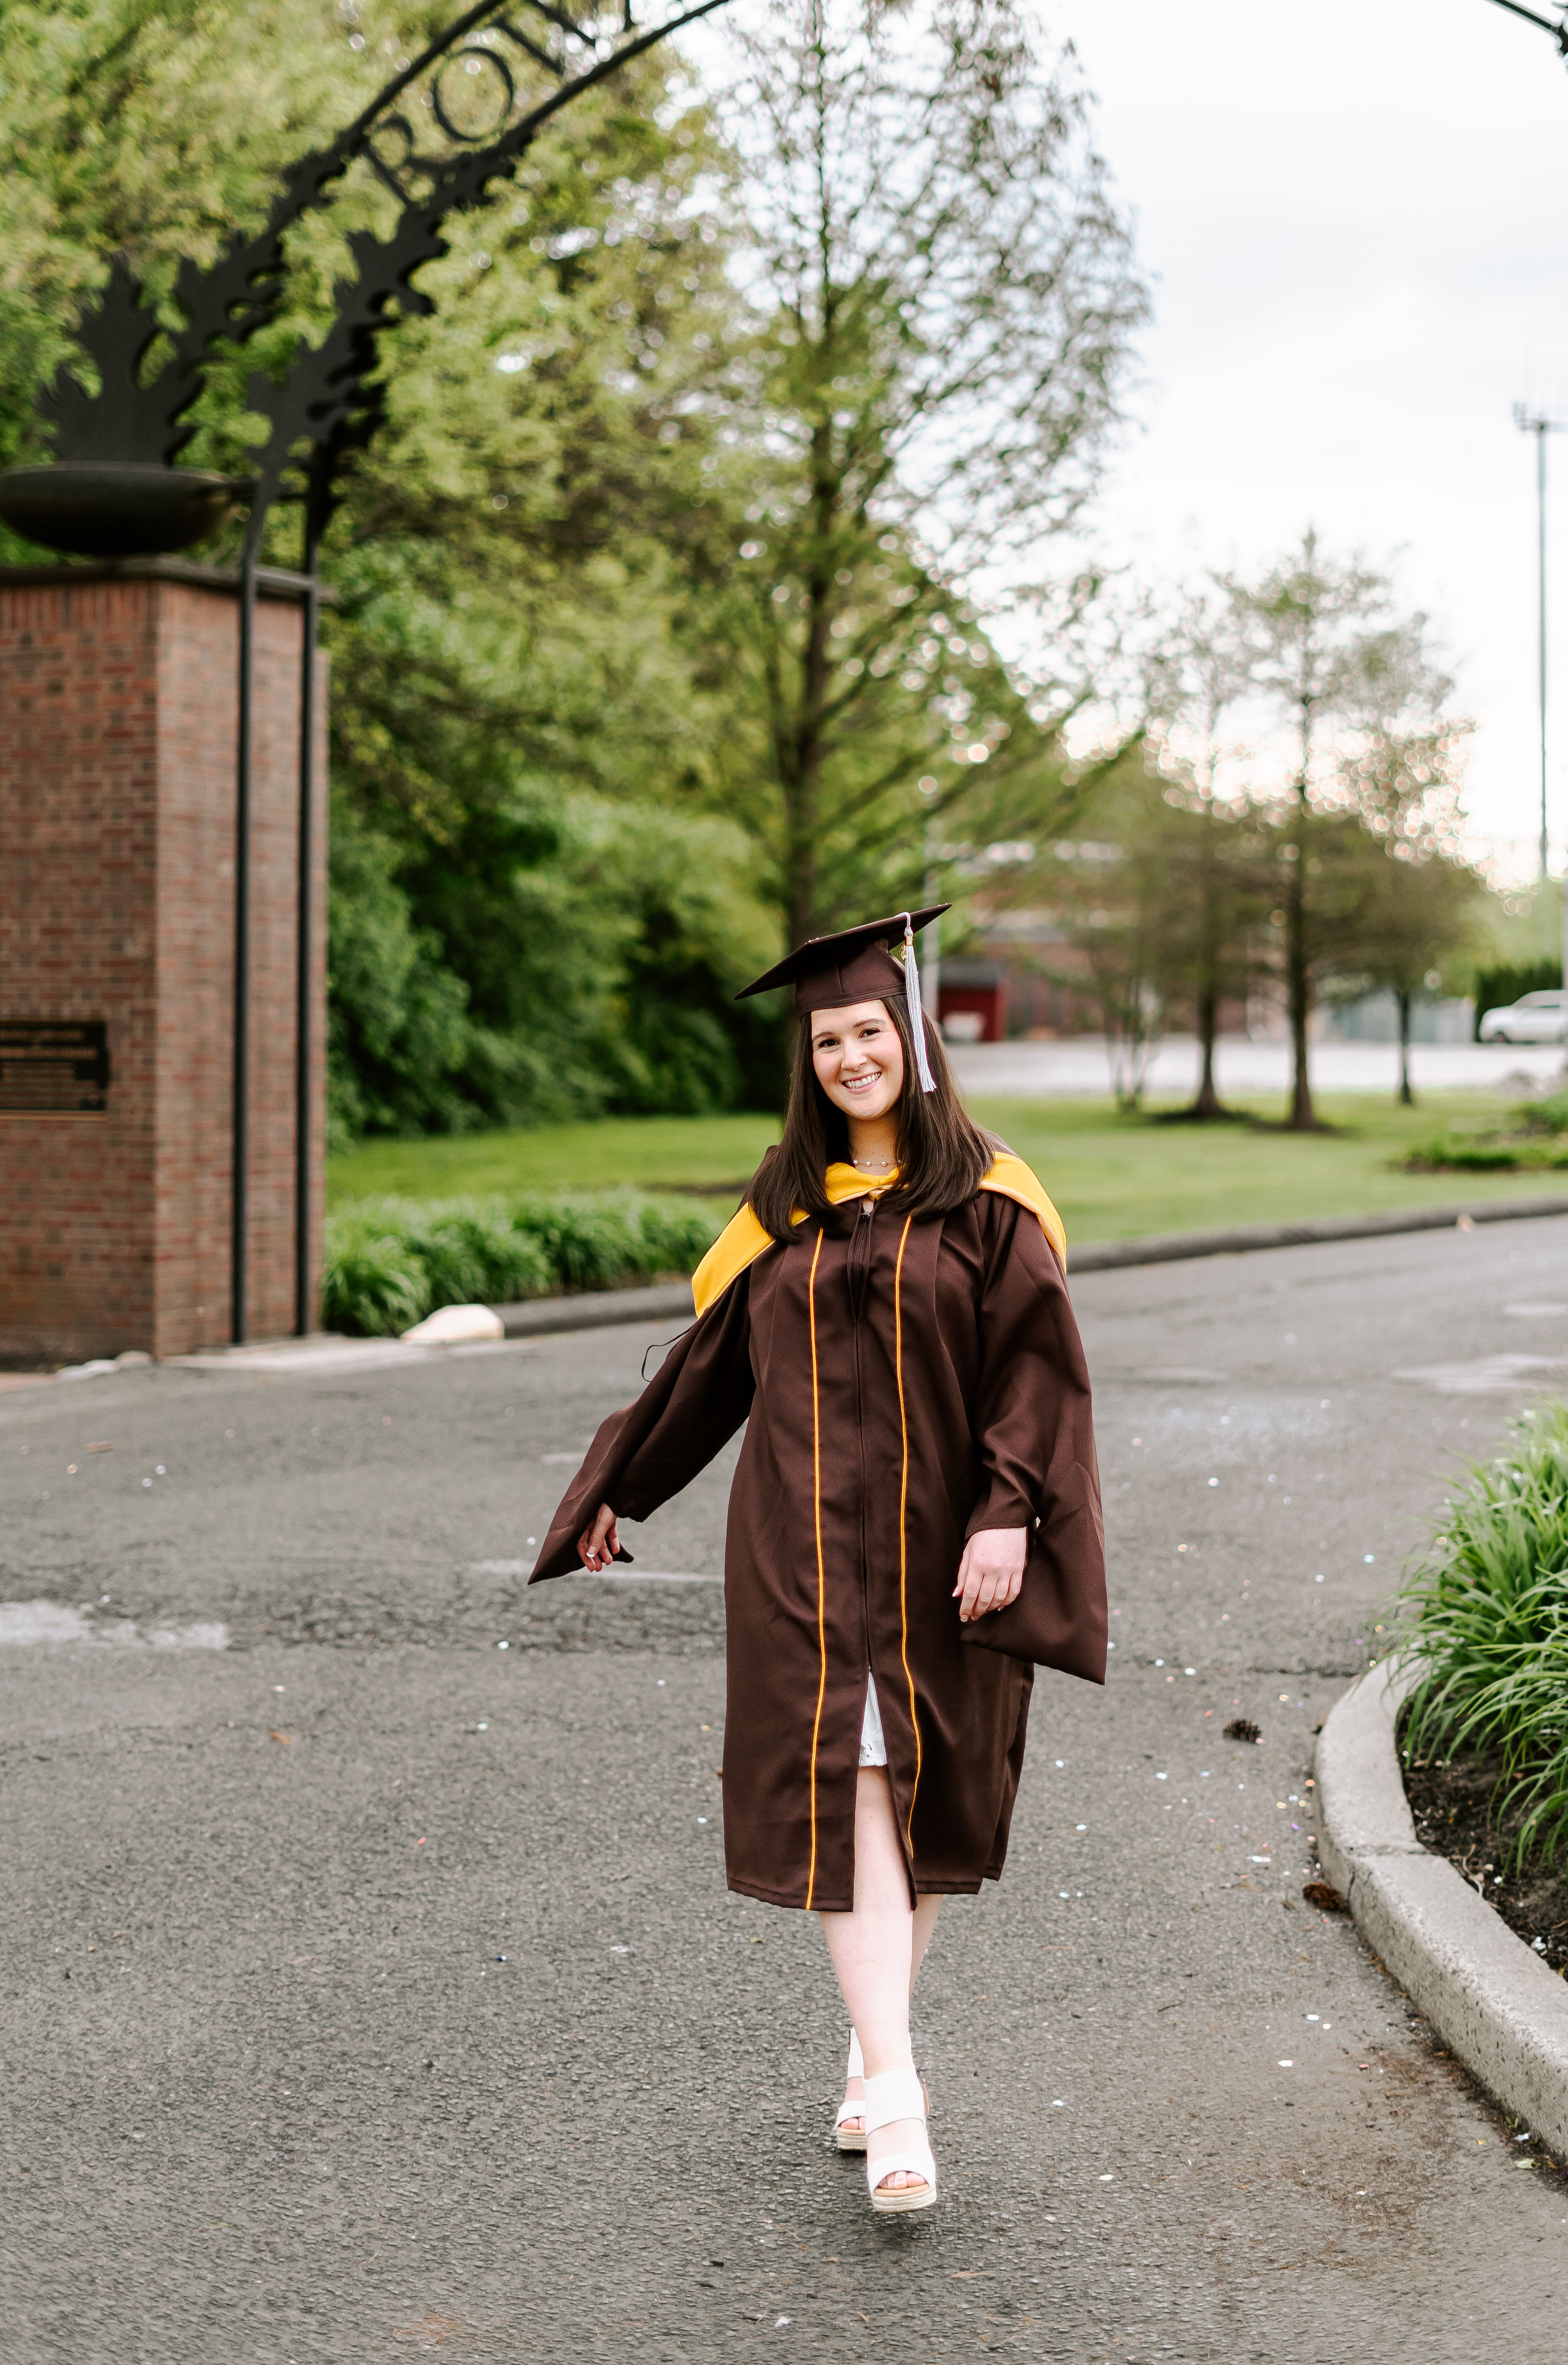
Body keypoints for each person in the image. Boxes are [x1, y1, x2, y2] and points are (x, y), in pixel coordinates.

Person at [529, 907, 1106, 2216]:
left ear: (913, 1037)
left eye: (869, 1031)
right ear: (811, 1059)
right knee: (850, 1781)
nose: (852, 1057)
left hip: (942, 1545)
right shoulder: (782, 1210)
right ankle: (897, 2092)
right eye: (828, 1040)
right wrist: (620, 1483)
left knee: (926, 1791)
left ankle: (870, 2037)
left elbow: (1040, 1376)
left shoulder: (990, 1202)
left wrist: (1011, 1511)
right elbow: (707, 1373)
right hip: (797, 1542)